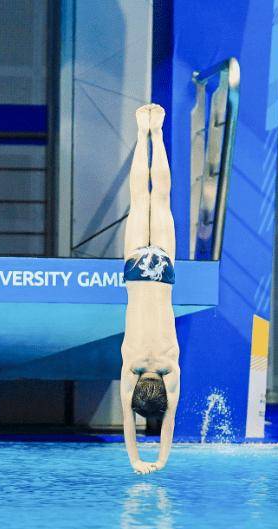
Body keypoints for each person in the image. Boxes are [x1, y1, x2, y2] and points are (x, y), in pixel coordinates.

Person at [120, 103, 180, 475]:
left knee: (159, 199)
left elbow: (169, 414)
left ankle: (156, 133)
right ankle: (142, 133)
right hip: (135, 271)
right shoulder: (132, 365)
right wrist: (137, 458)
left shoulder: (171, 366)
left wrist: (159, 457)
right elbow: (129, 413)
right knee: (140, 200)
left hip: (162, 272)